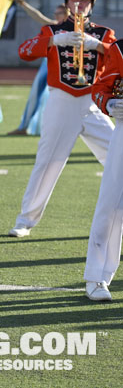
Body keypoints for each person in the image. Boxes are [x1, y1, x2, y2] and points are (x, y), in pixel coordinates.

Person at [9, 0, 116, 238]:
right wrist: (54, 41)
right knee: (48, 162)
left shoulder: (105, 33)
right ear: (67, 3)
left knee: (117, 155)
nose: (79, 5)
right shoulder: (52, 30)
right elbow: (24, 51)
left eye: (84, 0)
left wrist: (98, 46)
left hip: (93, 104)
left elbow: (117, 60)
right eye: (74, 0)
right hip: (61, 102)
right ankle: (25, 220)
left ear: (91, 4)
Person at [84, 32, 123, 301]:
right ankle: (97, 276)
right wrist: (109, 103)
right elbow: (99, 88)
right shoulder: (120, 51)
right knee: (112, 204)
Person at [7, 0, 66, 136]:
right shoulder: (54, 27)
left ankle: (53, 128)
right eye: (55, 13)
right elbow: (38, 16)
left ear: (67, 13)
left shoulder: (72, 28)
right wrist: (23, 4)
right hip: (48, 65)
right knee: (36, 94)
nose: (56, 15)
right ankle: (25, 126)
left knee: (59, 99)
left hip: (61, 68)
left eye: (59, 13)